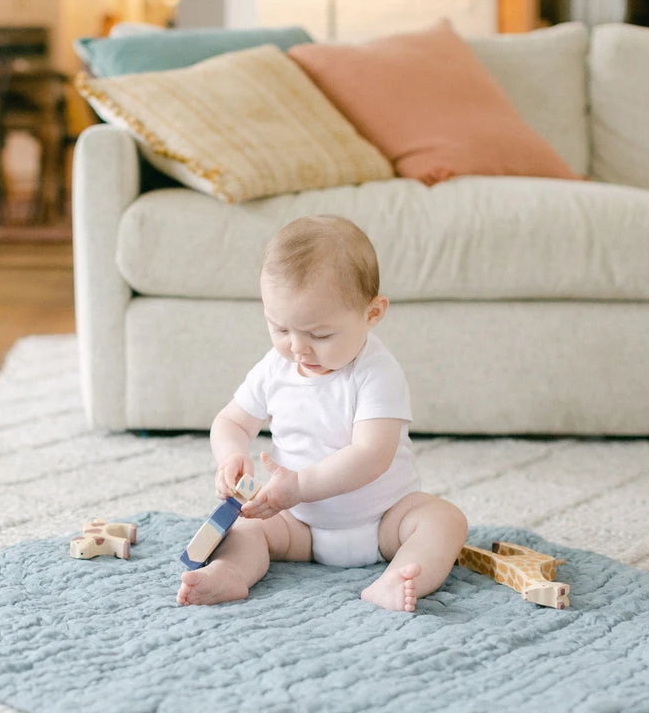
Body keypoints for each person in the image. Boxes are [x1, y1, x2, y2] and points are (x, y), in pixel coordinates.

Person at [177, 214, 468, 612]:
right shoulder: (274, 369)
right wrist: (231, 456)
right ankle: (230, 573)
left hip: (384, 520)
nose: (298, 348)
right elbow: (231, 421)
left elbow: (372, 455)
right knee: (247, 528)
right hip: (298, 525)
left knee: (444, 520)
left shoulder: (377, 372)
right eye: (281, 329)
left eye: (320, 334)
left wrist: (300, 485)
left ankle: (396, 579)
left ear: (372, 313)